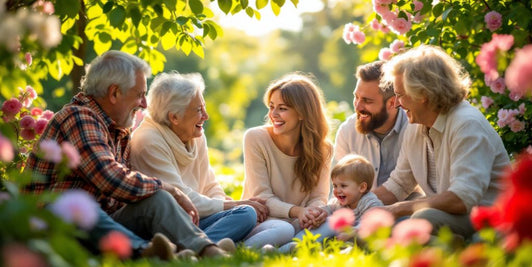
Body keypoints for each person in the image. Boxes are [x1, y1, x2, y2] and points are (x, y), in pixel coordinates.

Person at [24, 50, 226, 258]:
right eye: (139, 94)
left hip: (101, 226)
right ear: (114, 93)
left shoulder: (117, 130)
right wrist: (171, 190)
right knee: (81, 207)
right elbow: (109, 177)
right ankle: (147, 251)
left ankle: (207, 250)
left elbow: (124, 195)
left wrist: (163, 196)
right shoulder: (79, 116)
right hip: (53, 225)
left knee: (157, 199)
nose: (144, 104)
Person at [373, 45, 510, 239]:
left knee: (423, 218)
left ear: (423, 95)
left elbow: (462, 199)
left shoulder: (466, 124)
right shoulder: (415, 127)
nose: (396, 103)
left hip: (492, 219)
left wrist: (399, 209)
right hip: (458, 219)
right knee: (405, 224)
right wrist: (355, 207)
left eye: (400, 95)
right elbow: (397, 185)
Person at [129, 72, 268, 243]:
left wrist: (225, 204)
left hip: (196, 217)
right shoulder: (148, 141)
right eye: (198, 110)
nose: (206, 116)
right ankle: (198, 247)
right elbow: (179, 197)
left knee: (246, 213)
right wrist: (230, 205)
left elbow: (210, 183)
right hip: (168, 224)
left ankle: (204, 244)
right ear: (174, 117)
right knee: (244, 212)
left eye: (204, 107)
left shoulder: (195, 134)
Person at [241, 73, 332, 248]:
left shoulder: (324, 148)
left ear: (303, 113)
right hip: (264, 222)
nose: (273, 114)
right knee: (284, 230)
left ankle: (284, 251)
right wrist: (298, 211)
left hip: (299, 221)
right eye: (271, 106)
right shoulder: (255, 138)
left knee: (333, 221)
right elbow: (261, 196)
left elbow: (319, 197)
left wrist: (314, 212)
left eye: (282, 108)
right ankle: (246, 249)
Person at [278, 154, 383, 253]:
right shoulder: (339, 202)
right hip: (340, 239)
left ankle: (287, 248)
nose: (337, 190)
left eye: (343, 185)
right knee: (319, 223)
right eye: (335, 185)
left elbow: (372, 222)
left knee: (333, 226)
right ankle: (288, 245)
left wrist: (354, 231)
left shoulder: (368, 202)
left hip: (358, 240)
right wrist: (316, 215)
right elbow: (327, 209)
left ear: (362, 187)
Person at [334, 61, 408, 188]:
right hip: (358, 207)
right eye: (356, 97)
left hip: (406, 207)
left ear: (392, 103)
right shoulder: (347, 131)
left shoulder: (413, 128)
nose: (357, 106)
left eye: (367, 101)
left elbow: (403, 186)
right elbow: (338, 188)